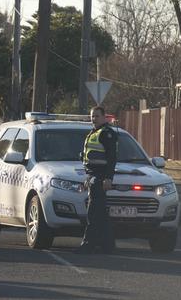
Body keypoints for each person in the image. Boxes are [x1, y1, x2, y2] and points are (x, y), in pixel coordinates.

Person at [78, 106, 117, 254]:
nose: (94, 119)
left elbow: (112, 158)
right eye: (92, 116)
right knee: (100, 213)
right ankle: (108, 246)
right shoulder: (94, 133)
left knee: (93, 213)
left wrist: (108, 178)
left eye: (97, 116)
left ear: (104, 117)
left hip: (100, 177)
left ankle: (88, 245)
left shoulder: (106, 134)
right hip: (93, 176)